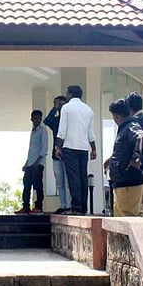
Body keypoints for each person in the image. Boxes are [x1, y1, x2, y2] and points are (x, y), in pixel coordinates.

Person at [55, 85, 96, 215]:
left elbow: (62, 130)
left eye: (67, 93)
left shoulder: (66, 108)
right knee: (83, 177)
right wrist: (93, 149)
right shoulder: (89, 110)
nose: (66, 95)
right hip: (84, 148)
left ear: (70, 94)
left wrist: (58, 147)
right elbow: (91, 133)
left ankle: (76, 207)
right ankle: (83, 207)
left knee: (73, 178)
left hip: (70, 146)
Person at [106, 99, 143, 216]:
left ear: (117, 116)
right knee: (131, 215)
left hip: (128, 181)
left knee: (127, 217)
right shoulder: (125, 128)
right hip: (123, 182)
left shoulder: (130, 127)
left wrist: (135, 160)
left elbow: (142, 138)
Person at [16, 110, 49, 214]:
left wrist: (37, 162)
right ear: (32, 119)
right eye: (35, 118)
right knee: (26, 185)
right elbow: (31, 150)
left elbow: (44, 148)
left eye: (39, 118)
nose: (37, 120)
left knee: (38, 185)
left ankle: (38, 206)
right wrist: (26, 164)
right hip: (30, 163)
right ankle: (26, 207)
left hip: (38, 164)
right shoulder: (33, 131)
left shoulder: (43, 131)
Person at [42, 95, 70, 213]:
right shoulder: (56, 120)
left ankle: (69, 204)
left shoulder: (69, 119)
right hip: (56, 155)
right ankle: (63, 205)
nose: (60, 106)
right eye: (58, 104)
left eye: (61, 104)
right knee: (59, 182)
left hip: (68, 153)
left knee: (68, 181)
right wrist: (55, 108)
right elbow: (46, 121)